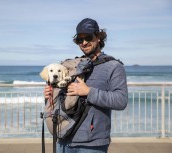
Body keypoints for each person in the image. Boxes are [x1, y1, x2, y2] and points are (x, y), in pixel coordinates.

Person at [44, 18, 128, 153]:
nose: (84, 43)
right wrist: (49, 96)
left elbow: (121, 100)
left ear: (99, 37)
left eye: (88, 37)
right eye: (79, 40)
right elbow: (62, 100)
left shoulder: (114, 67)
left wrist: (88, 92)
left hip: (92, 145)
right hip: (64, 139)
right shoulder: (74, 66)